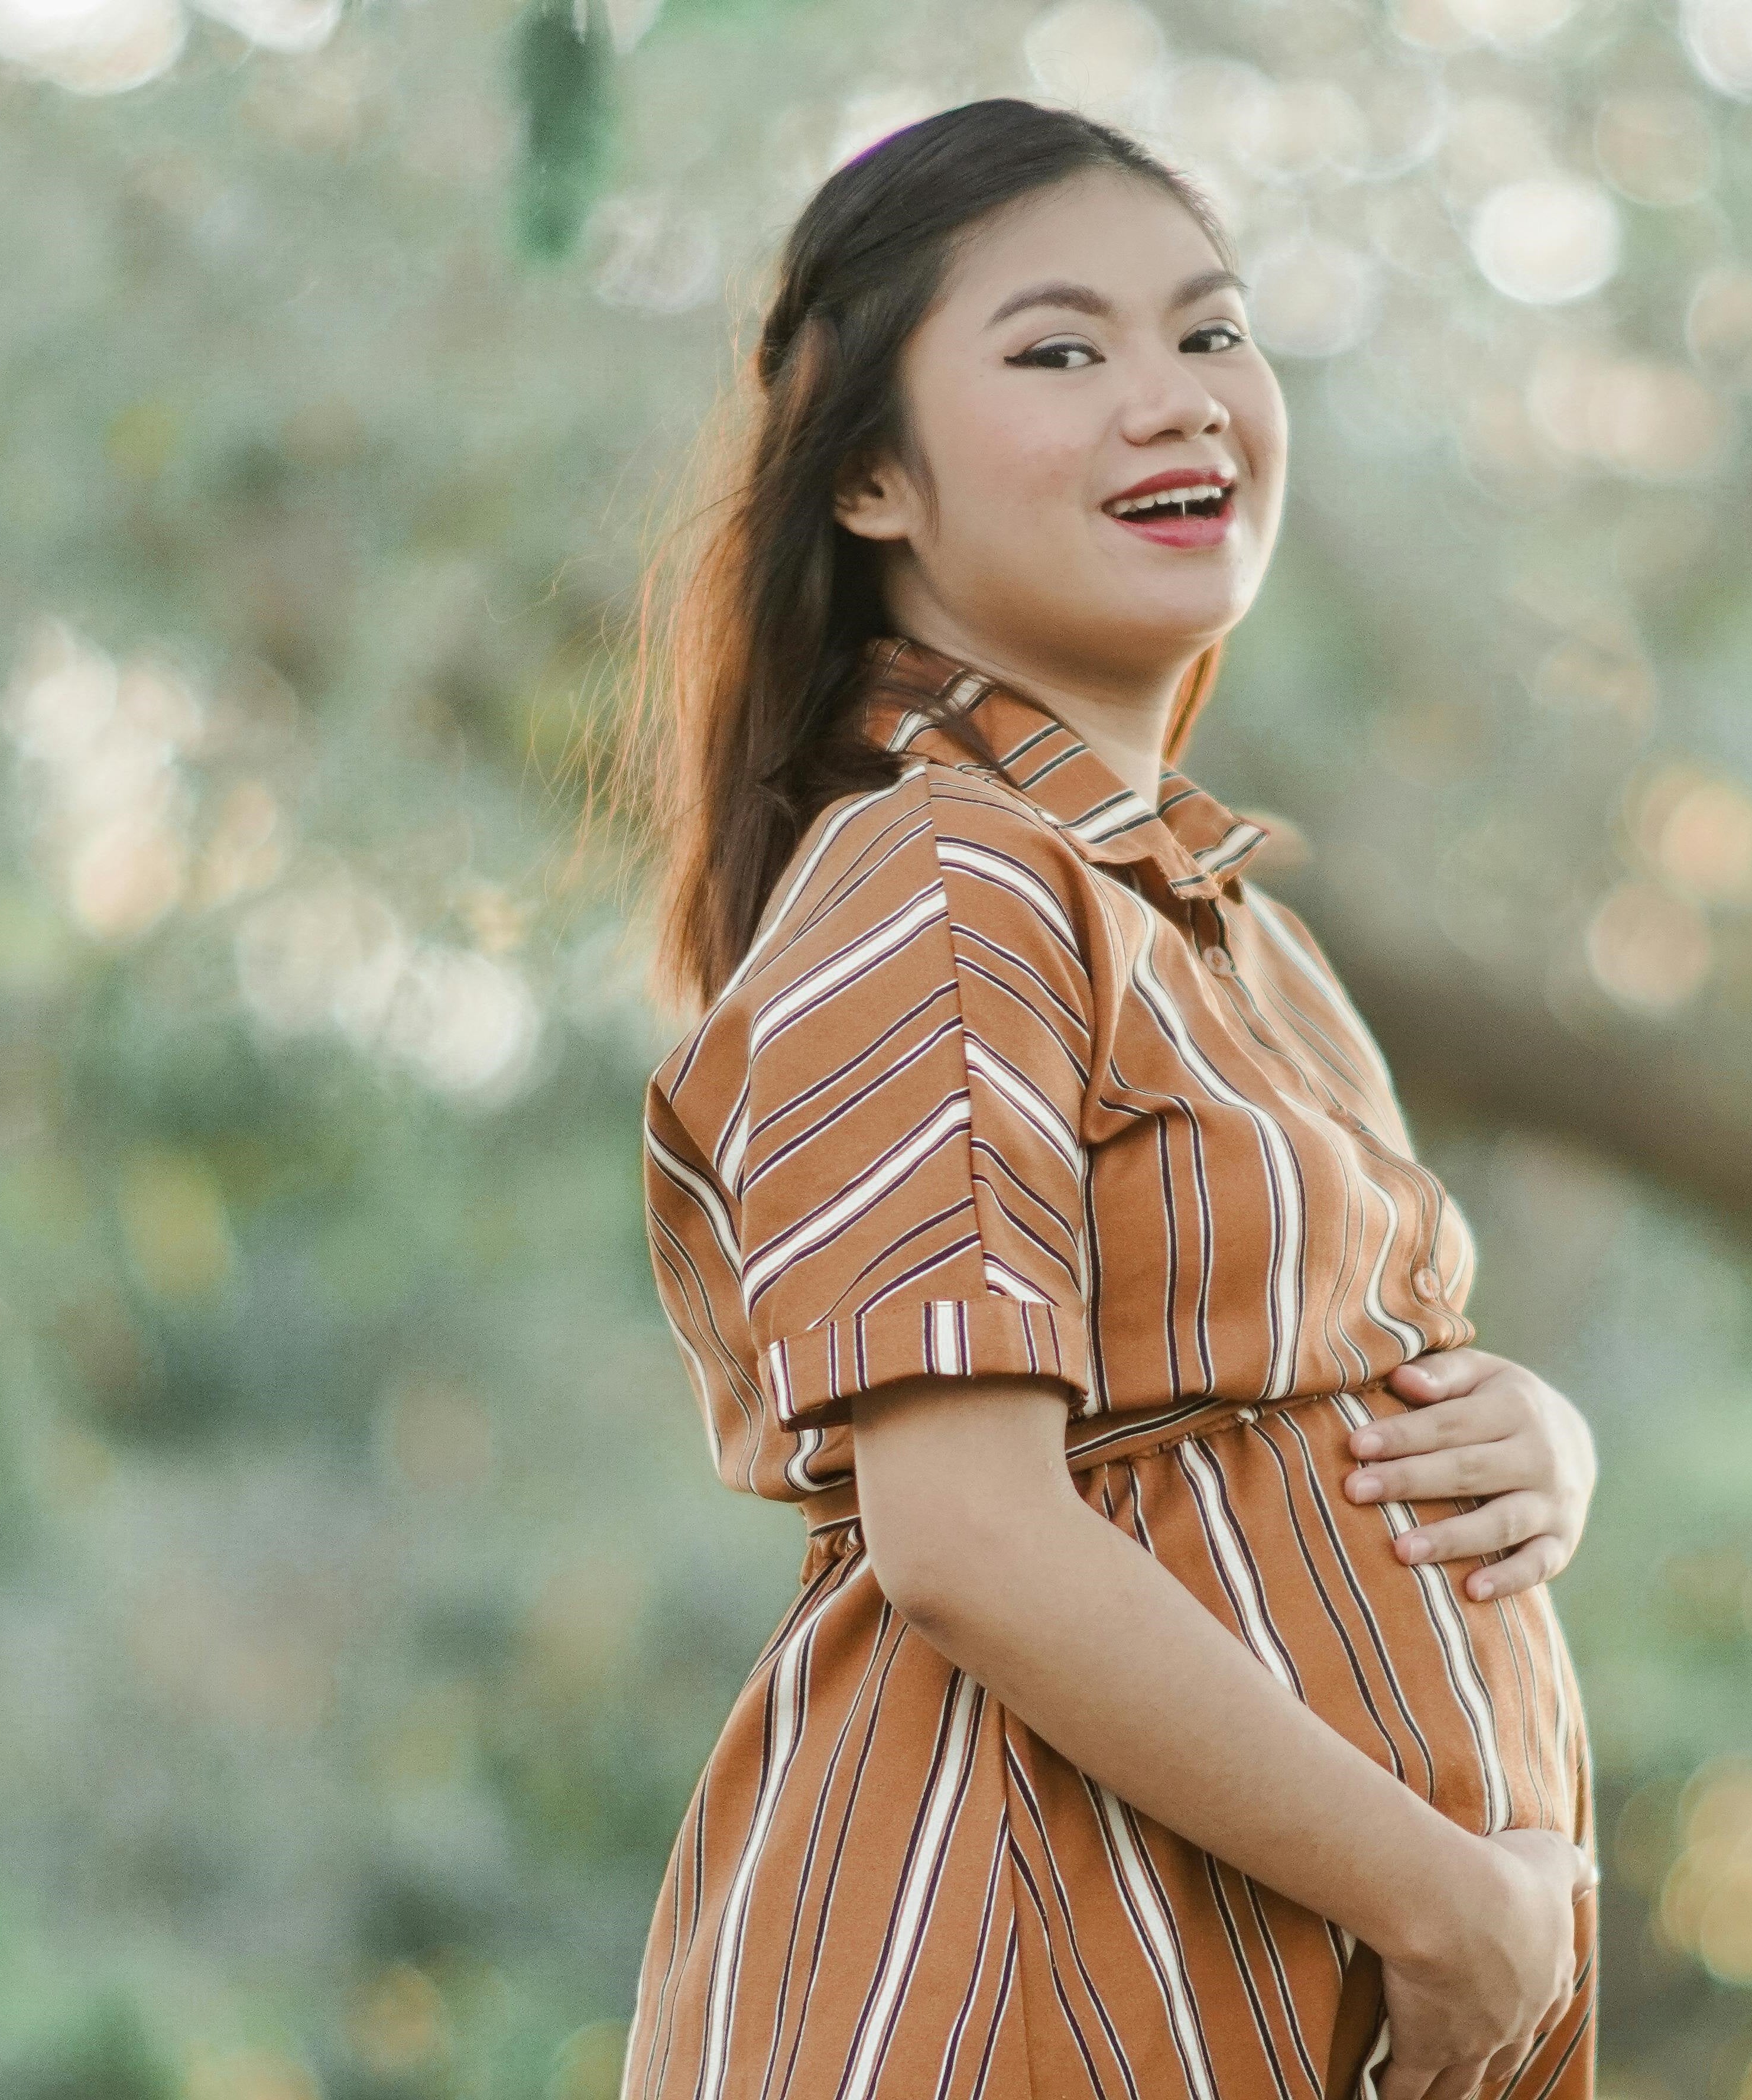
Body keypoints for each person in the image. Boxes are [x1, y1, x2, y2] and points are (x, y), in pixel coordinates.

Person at [606, 96, 1602, 2100]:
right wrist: (1438, 1901)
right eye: (1060, 351)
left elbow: (1296, 1396)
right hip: (1029, 1993)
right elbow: (964, 1530)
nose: (1176, 401)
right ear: (871, 476)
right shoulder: (940, 878)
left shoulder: (1222, 932)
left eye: (1210, 333)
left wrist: (1534, 1440)